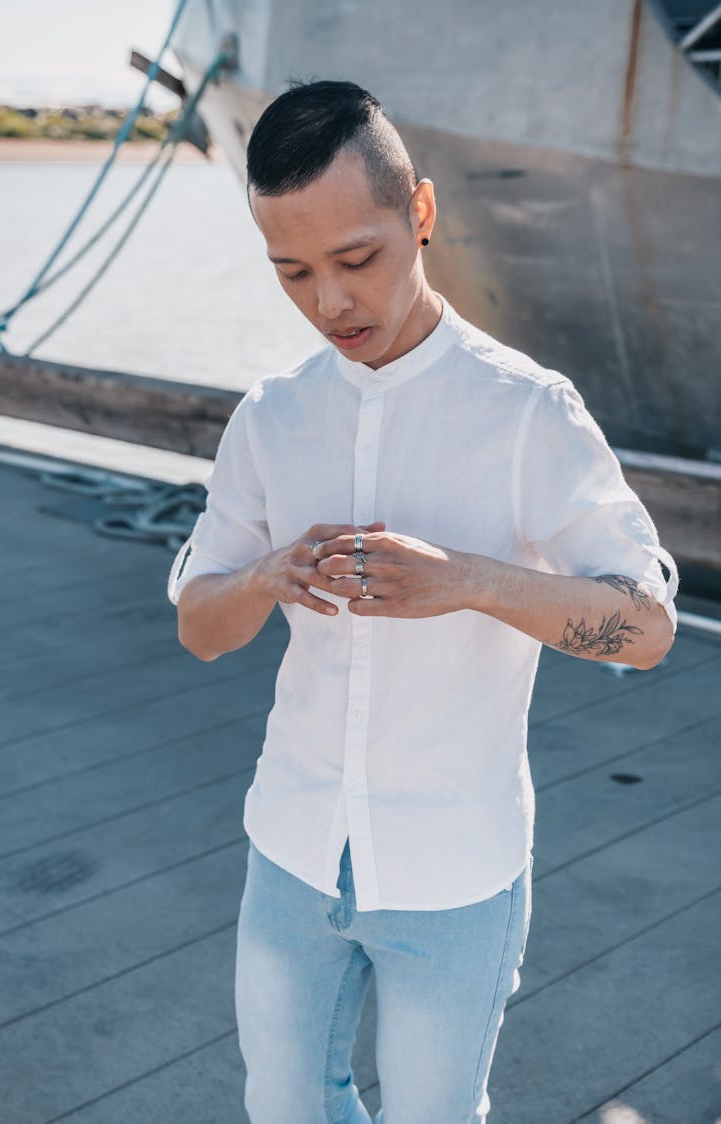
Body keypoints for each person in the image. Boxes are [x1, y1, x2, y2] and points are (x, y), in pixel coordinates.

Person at [167, 80, 678, 1124]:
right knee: (285, 1109)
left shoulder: (528, 411)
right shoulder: (273, 417)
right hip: (291, 847)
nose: (330, 304)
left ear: (423, 215)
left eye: (357, 258)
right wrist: (266, 578)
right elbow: (198, 625)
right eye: (293, 271)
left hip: (456, 867)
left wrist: (468, 581)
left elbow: (649, 627)